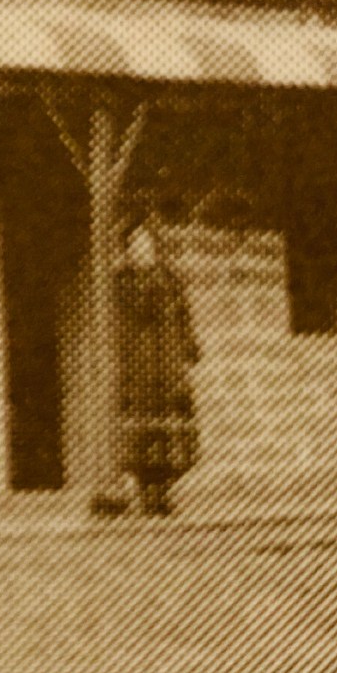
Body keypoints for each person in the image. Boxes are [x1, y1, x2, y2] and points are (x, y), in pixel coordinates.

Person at [114, 221, 201, 517]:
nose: (142, 250)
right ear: (127, 251)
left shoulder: (169, 280)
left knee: (170, 435)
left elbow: (183, 318)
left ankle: (163, 493)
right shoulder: (122, 283)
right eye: (135, 245)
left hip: (168, 366)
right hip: (138, 366)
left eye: (146, 244)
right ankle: (144, 494)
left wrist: (188, 350)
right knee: (141, 435)